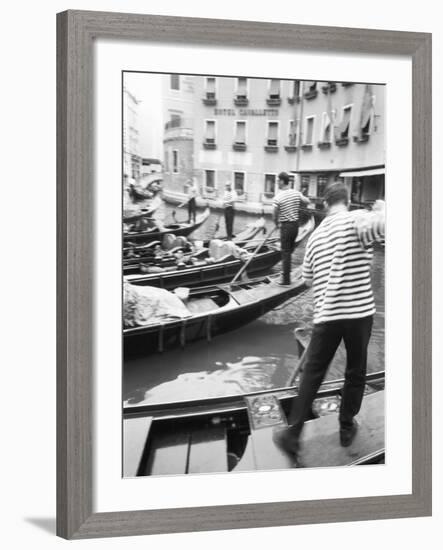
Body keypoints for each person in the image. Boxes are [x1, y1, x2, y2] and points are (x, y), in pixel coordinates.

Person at [274, 182, 385, 461]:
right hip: (359, 314)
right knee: (355, 371)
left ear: (325, 204)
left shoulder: (316, 236)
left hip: (326, 315)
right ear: (345, 201)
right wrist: (382, 208)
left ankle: (292, 433)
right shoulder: (357, 219)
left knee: (313, 373)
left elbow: (309, 279)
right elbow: (385, 225)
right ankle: (346, 427)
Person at [273, 172, 311, 285]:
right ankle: (287, 273)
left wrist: (276, 223)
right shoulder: (296, 193)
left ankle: (285, 280)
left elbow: (274, 213)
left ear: (281, 181)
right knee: (288, 252)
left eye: (277, 181)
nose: (276, 183)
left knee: (285, 253)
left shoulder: (278, 197)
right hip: (295, 226)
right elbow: (307, 202)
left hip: (285, 226)